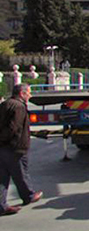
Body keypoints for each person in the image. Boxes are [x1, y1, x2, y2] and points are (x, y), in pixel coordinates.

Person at [0, 84, 43, 216]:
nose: (30, 96)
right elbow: (14, 128)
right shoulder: (19, 107)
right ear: (22, 94)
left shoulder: (6, 103)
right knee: (21, 173)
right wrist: (6, 140)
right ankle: (28, 196)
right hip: (14, 147)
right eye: (28, 93)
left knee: (2, 177)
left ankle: (1, 205)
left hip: (3, 147)